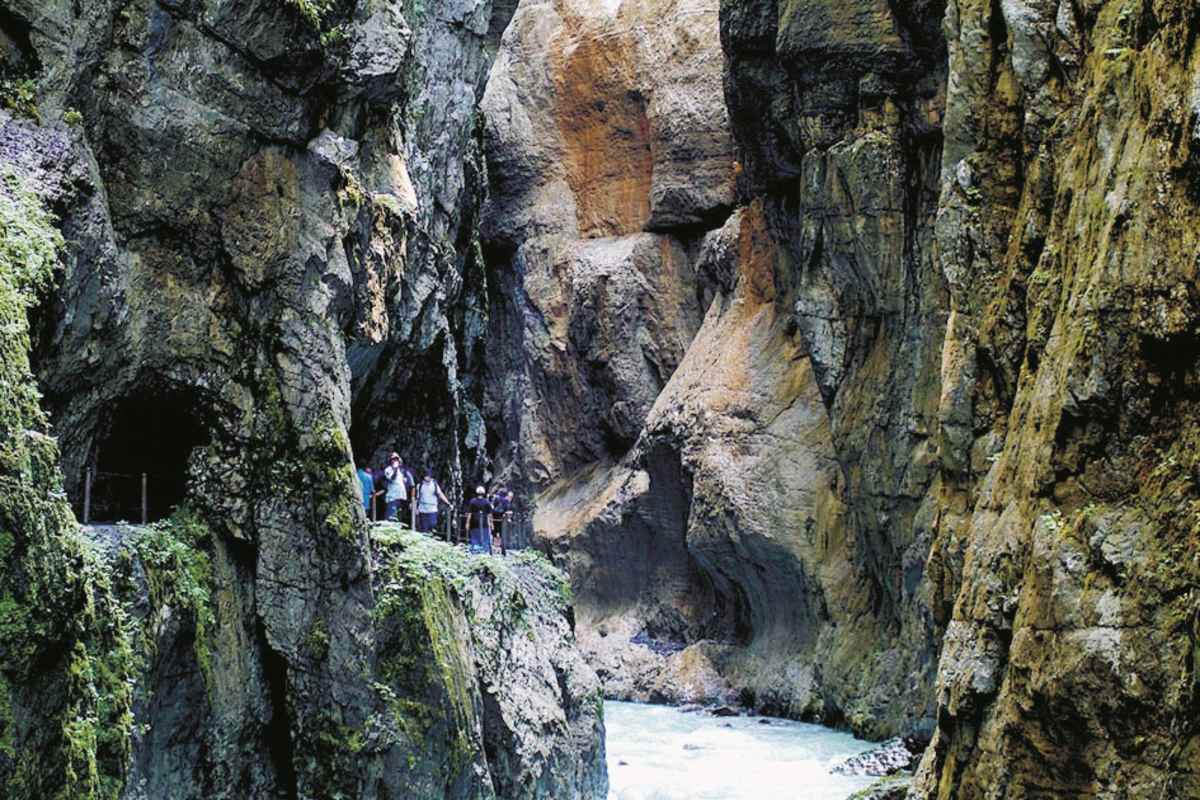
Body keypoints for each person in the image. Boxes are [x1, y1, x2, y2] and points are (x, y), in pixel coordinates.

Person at [415, 468, 449, 534]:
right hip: (422, 509)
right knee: (424, 528)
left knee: (433, 524)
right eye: (427, 476)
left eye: (430, 476)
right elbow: (417, 498)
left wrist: (447, 502)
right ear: (424, 477)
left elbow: (440, 494)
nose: (429, 478)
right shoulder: (419, 486)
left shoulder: (434, 485)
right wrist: (416, 508)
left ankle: (431, 534)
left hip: (432, 509)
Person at [464, 486, 493, 555]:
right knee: (485, 538)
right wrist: (491, 524)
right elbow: (490, 515)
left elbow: (469, 514)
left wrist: (467, 523)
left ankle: (475, 551)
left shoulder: (472, 501)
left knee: (474, 537)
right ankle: (485, 551)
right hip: (484, 523)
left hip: (474, 523)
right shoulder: (486, 502)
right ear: (484, 493)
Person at [383, 453, 412, 522]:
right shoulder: (388, 469)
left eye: (396, 459)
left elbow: (407, 484)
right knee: (391, 516)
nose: (394, 461)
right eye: (393, 459)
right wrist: (395, 469)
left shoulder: (402, 471)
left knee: (399, 517)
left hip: (401, 497)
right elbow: (392, 478)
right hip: (392, 497)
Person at [489, 486, 513, 555]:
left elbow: (492, 507)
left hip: (494, 517)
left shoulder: (496, 498)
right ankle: (502, 548)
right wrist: (508, 517)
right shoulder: (506, 500)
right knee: (501, 533)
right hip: (502, 518)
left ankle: (493, 547)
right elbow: (507, 509)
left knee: (494, 532)